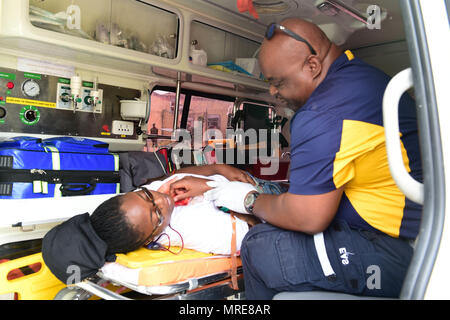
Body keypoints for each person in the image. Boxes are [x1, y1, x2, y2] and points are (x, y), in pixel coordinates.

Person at [170, 18, 422, 299]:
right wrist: (219, 183)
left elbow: (307, 217)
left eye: (278, 83)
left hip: (397, 252)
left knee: (262, 247)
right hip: (399, 236)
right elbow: (308, 194)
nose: (274, 93)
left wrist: (249, 201)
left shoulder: (324, 112)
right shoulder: (358, 77)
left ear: (312, 66)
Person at [41, 164, 282, 284]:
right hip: (266, 198)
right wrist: (213, 187)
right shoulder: (192, 229)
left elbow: (170, 179)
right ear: (150, 239)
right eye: (157, 213)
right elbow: (260, 227)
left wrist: (215, 169)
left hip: (239, 180)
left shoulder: (133, 207)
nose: (161, 198)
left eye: (146, 195)